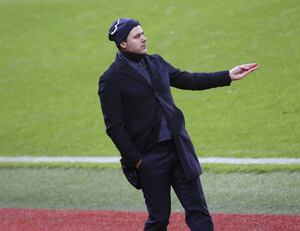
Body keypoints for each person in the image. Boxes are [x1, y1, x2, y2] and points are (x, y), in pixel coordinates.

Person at [98, 18, 259, 231]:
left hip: (179, 149)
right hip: (149, 158)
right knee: (159, 219)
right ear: (123, 44)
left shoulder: (156, 62)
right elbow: (114, 127)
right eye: (137, 36)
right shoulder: (111, 79)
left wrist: (227, 75)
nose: (144, 38)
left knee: (198, 211)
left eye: (143, 33)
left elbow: (188, 80)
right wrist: (137, 161)